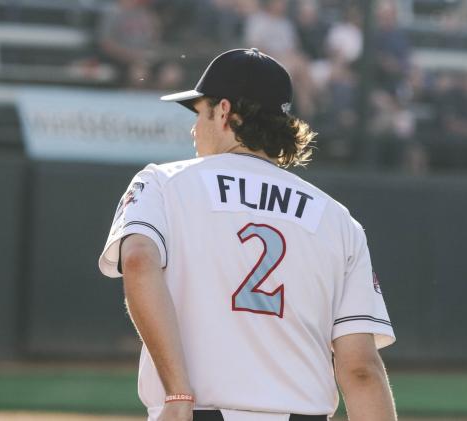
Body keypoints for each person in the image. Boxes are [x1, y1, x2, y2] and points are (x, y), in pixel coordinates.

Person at [99, 48, 397, 421]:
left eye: (199, 111)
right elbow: (361, 369)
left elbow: (139, 259)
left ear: (224, 111)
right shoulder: (337, 220)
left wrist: (177, 392)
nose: (194, 128)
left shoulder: (163, 183)